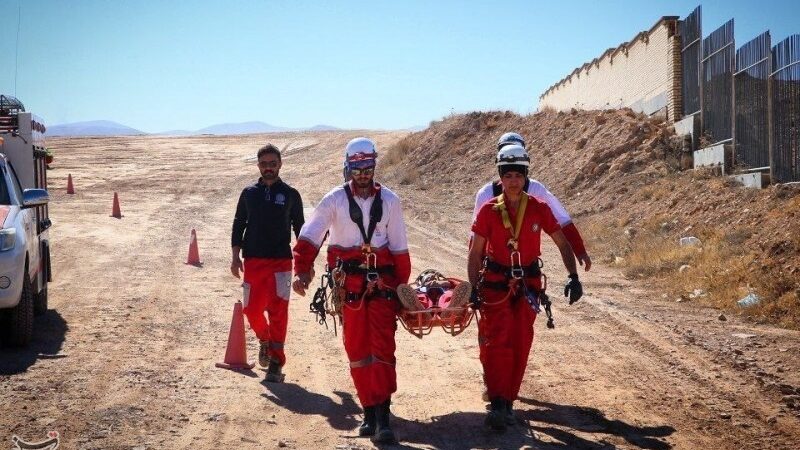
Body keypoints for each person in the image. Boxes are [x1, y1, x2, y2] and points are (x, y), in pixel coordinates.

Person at [292, 137, 411, 444]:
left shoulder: (391, 202)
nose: (362, 174)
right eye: (357, 168)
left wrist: (401, 292)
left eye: (367, 168)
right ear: (348, 168)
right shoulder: (334, 200)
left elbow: (399, 251)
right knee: (357, 349)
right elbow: (311, 235)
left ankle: (383, 414)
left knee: (383, 348)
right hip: (349, 288)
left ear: (374, 168)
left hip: (382, 285)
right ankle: (368, 410)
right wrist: (302, 270)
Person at [468, 144, 583, 431]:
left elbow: (561, 242)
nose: (513, 180)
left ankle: (508, 401)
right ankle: (497, 403)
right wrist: (472, 286)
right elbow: (475, 252)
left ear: (526, 175)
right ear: (500, 177)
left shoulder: (539, 208)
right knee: (498, 342)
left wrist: (573, 275)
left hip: (528, 286)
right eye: (508, 175)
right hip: (496, 286)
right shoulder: (487, 210)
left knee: (521, 342)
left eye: (518, 174)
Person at [231, 144, 304, 382]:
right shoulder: (249, 193)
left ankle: (276, 361)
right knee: (251, 310)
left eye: (273, 163)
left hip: (281, 263)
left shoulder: (291, 194)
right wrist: (235, 256)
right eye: (264, 164)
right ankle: (265, 339)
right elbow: (239, 224)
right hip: (253, 262)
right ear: (258, 166)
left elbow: (301, 230)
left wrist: (305, 264)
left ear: (280, 164)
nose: (268, 168)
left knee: (278, 312)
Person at [472, 132, 592, 272]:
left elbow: (562, 220)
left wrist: (580, 250)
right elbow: (475, 238)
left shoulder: (537, 190)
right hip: (495, 268)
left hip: (528, 267)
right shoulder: (486, 193)